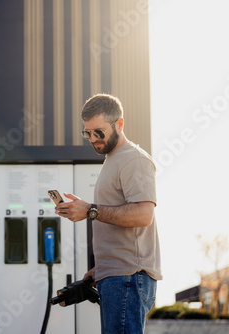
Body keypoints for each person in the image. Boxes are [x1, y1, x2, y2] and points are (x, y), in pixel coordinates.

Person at [55, 93, 162, 333]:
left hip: (128, 277)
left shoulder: (134, 159)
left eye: (99, 132)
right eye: (88, 133)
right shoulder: (112, 160)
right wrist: (101, 268)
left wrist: (90, 210)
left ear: (119, 124)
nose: (93, 139)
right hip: (116, 275)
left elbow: (144, 215)